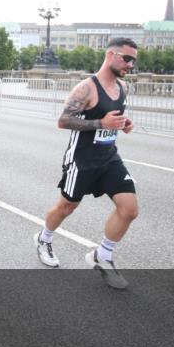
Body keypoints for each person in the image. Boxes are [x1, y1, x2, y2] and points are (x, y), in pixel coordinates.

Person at [34, 37, 139, 290]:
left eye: (133, 60)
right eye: (127, 58)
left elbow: (113, 118)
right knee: (67, 207)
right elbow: (63, 121)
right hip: (81, 159)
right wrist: (101, 124)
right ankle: (43, 238)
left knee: (129, 209)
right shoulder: (86, 88)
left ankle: (102, 256)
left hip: (109, 158)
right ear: (111, 55)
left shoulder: (122, 87)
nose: (130, 64)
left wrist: (122, 124)